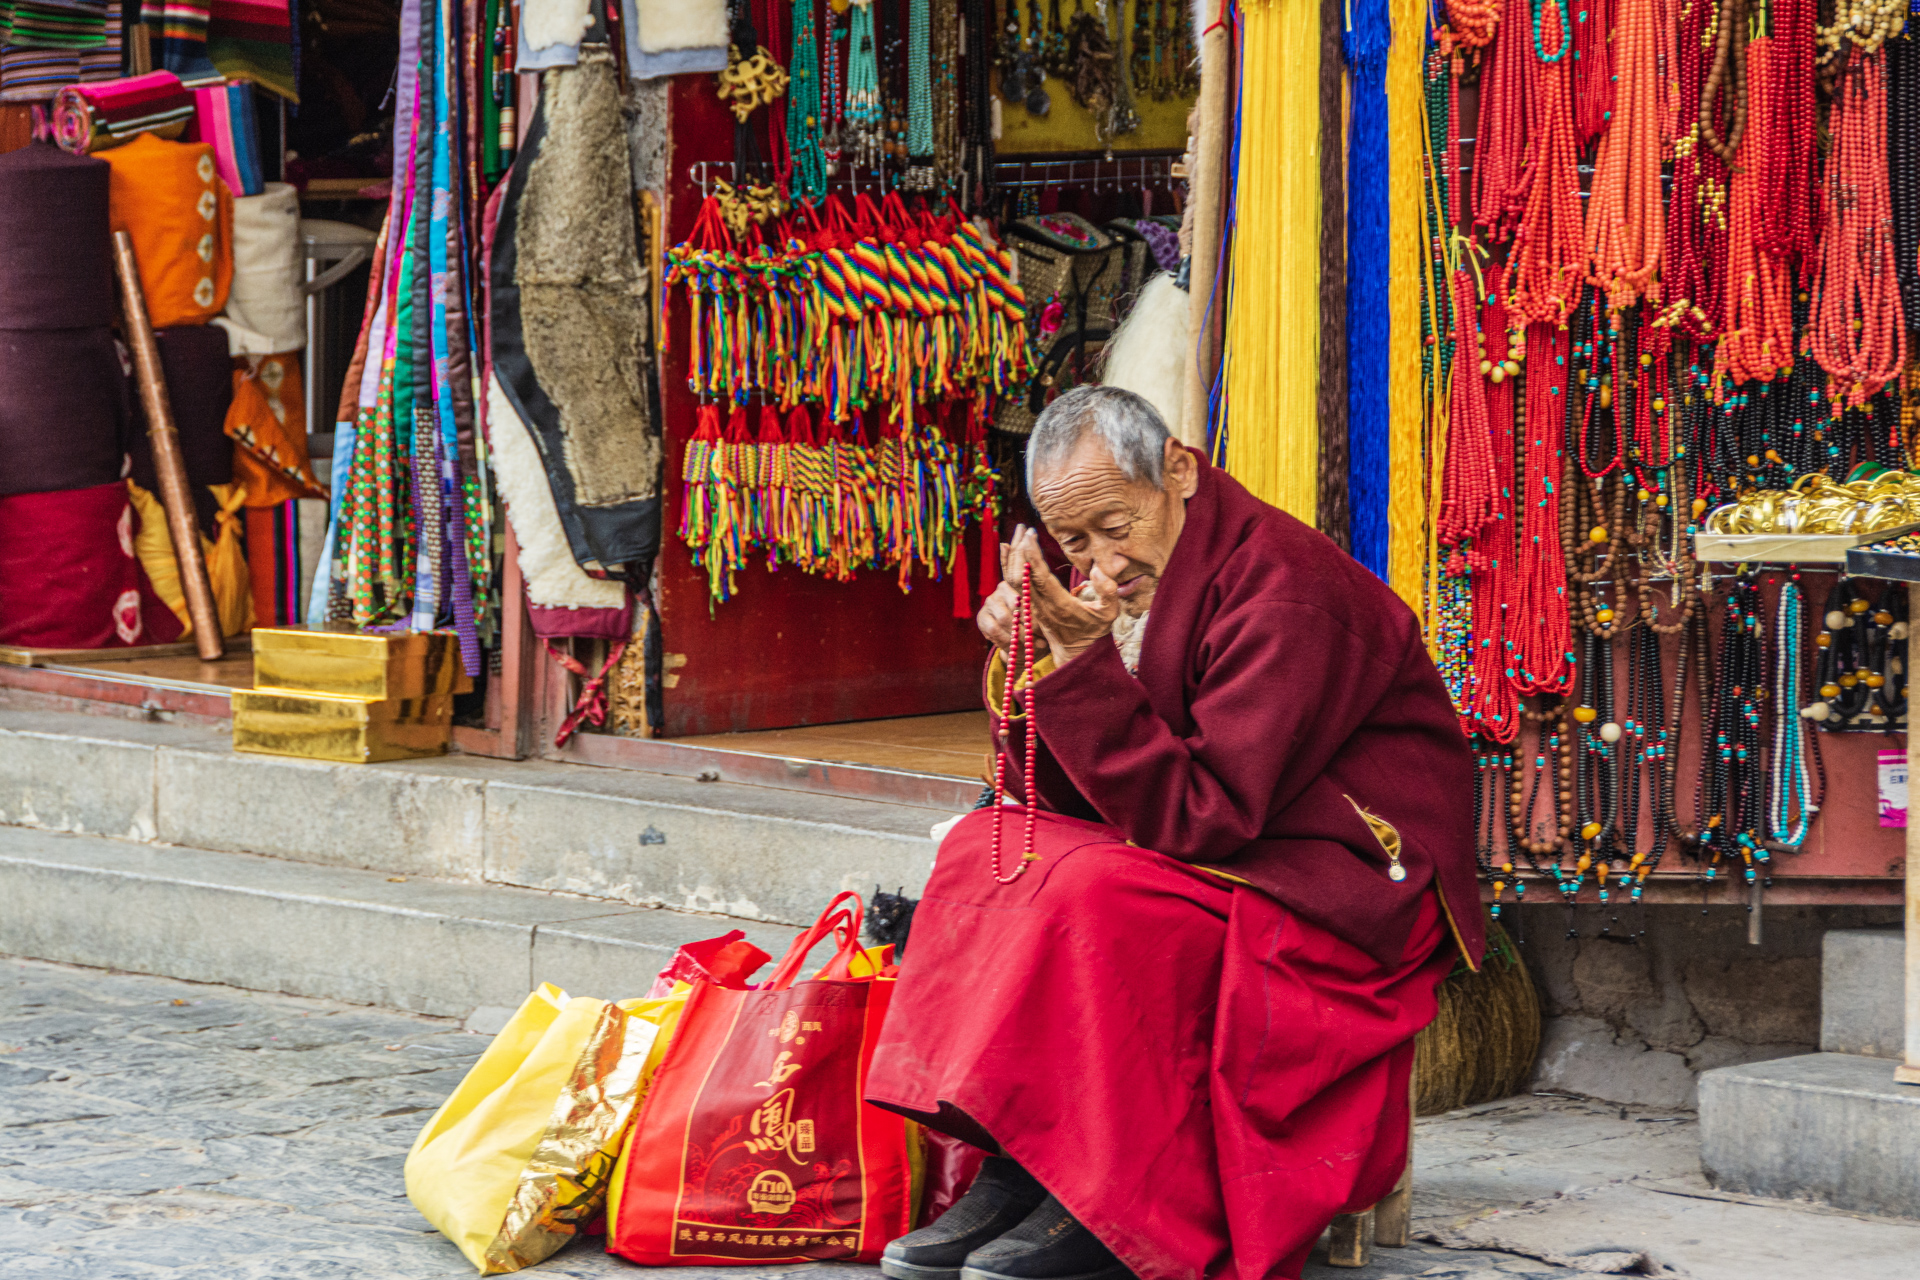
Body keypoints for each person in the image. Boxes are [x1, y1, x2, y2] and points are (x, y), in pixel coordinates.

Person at [864, 386, 1486, 1280]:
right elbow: (1042, 795)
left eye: (1116, 524)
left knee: (1093, 893)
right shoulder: (1118, 581)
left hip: (1340, 871)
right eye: (1073, 542)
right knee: (988, 852)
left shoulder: (1286, 590)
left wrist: (1077, 670)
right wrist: (1023, 666)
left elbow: (1207, 815)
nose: (1100, 560)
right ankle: (1021, 1161)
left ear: (1181, 473)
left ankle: (1114, 1199)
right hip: (1229, 835)